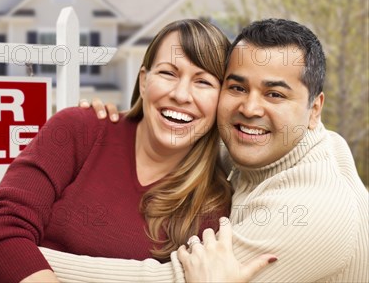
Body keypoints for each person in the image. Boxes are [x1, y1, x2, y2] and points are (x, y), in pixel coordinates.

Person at [40, 18, 369, 282]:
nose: (250, 108)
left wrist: (24, 258)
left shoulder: (313, 212)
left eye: (275, 95)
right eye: (237, 87)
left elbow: (171, 279)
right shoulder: (257, 148)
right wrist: (111, 125)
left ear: (315, 109)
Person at [0, 19, 234, 282]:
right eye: (168, 73)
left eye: (203, 82)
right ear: (144, 81)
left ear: (222, 100)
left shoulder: (213, 203)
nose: (181, 94)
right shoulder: (80, 129)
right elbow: (0, 228)